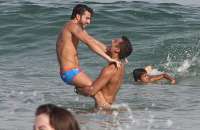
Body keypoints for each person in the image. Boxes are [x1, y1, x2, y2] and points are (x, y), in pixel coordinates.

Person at [56, 4, 120, 95]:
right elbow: (89, 43)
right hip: (69, 72)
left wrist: (111, 52)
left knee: (96, 91)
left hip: (74, 71)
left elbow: (92, 40)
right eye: (87, 18)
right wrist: (108, 59)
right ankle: (107, 109)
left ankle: (97, 108)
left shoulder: (77, 28)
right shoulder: (72, 26)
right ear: (78, 16)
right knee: (96, 91)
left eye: (90, 19)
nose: (89, 22)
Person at [78, 36, 133, 109]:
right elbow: (103, 48)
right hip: (108, 107)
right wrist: (84, 36)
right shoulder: (121, 65)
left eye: (115, 41)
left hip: (102, 110)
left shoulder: (109, 69)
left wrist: (78, 89)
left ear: (117, 49)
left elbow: (91, 91)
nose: (112, 40)